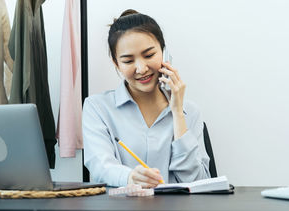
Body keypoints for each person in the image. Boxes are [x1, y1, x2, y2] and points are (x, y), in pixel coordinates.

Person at [83, 10, 210, 188]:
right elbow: (100, 167)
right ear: (116, 63)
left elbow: (198, 182)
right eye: (128, 61)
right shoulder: (97, 108)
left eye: (149, 55)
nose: (141, 68)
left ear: (165, 53)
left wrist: (178, 113)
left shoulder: (190, 112)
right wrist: (130, 178)